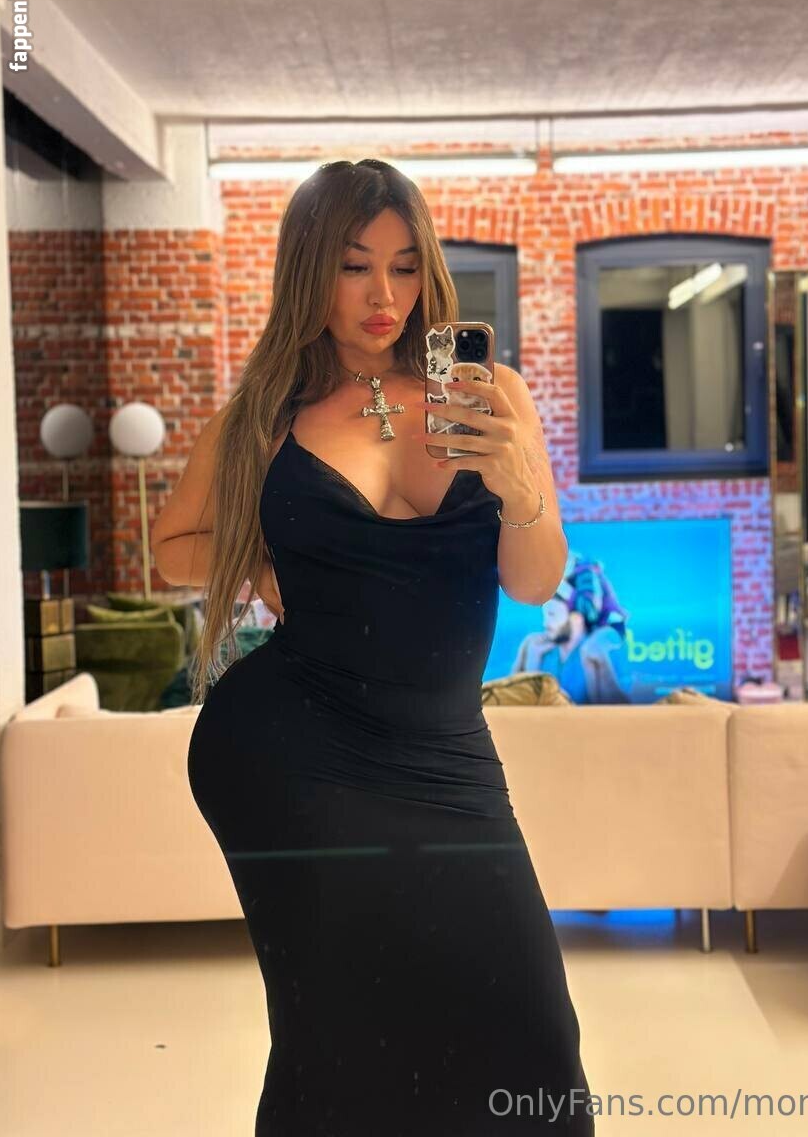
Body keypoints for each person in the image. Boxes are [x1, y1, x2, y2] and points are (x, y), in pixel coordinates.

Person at [152, 159, 595, 1136]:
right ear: (311, 273)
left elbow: (533, 582)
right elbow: (171, 543)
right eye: (354, 267)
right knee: (339, 1035)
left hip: (445, 756)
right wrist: (260, 559)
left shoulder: (492, 394)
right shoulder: (269, 417)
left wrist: (519, 483)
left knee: (532, 1036)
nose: (382, 294)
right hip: (294, 755)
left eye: (403, 265)